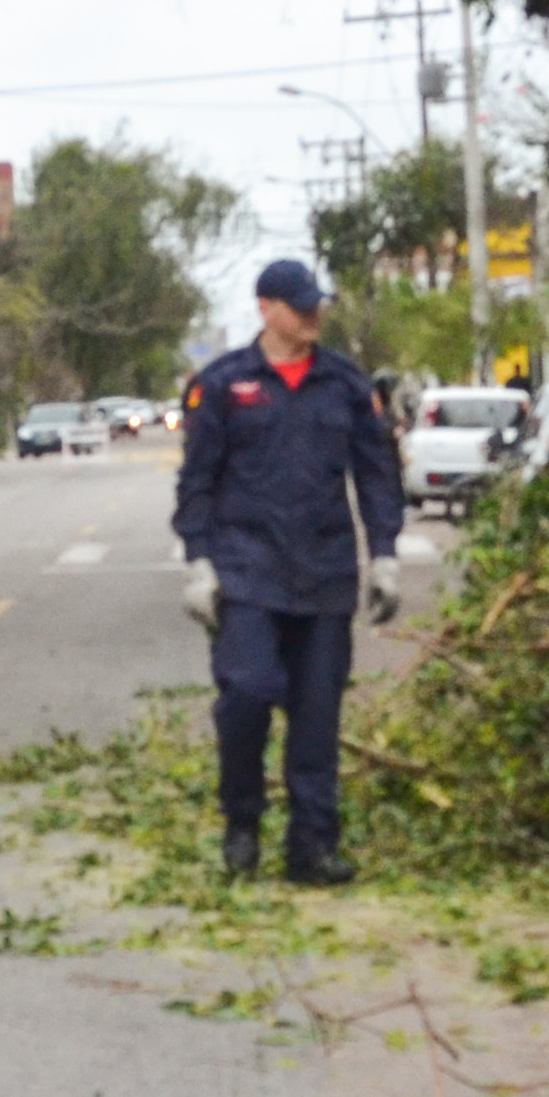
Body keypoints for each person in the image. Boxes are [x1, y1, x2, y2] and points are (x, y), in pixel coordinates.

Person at [171, 257, 404, 885]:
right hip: (246, 571)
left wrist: (383, 553)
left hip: (324, 572)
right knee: (245, 695)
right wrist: (198, 562)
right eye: (300, 308)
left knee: (317, 715)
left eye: (317, 307)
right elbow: (197, 481)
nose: (313, 318)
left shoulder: (346, 385)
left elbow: (377, 473)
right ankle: (242, 823)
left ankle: (312, 847)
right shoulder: (224, 384)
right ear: (266, 309)